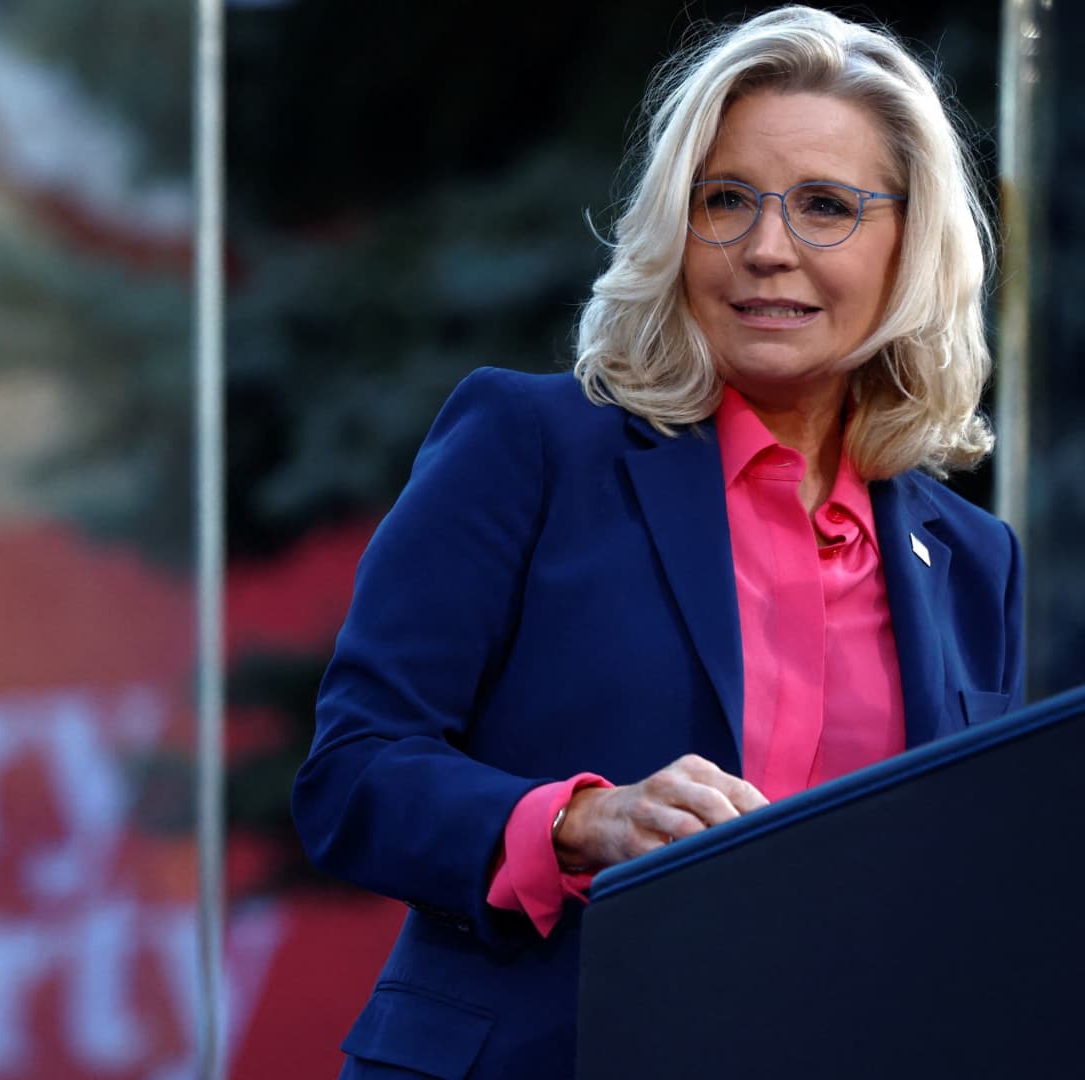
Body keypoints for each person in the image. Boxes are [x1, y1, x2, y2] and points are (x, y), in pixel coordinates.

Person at [290, 6, 1023, 1078]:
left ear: (912, 245)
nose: (768, 249)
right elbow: (353, 775)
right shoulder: (529, 444)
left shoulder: (969, 558)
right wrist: (586, 822)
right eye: (724, 201)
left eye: (826, 206)